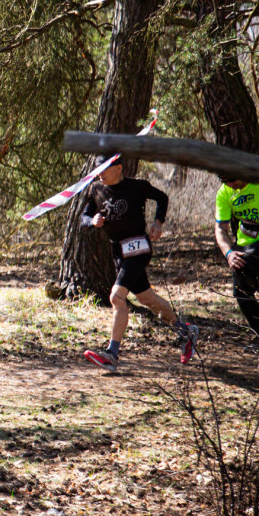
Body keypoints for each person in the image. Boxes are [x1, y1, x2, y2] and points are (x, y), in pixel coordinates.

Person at [80, 155, 198, 372]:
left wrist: (157, 222)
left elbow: (162, 197)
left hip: (139, 247)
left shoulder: (137, 186)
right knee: (146, 298)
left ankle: (112, 354)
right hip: (118, 252)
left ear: (118, 168)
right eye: (98, 170)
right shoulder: (96, 189)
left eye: (104, 169)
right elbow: (84, 217)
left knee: (116, 297)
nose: (100, 174)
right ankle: (185, 331)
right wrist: (92, 221)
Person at [213, 175, 259, 348]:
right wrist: (229, 253)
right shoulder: (224, 193)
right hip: (245, 244)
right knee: (240, 291)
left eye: (233, 180)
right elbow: (220, 229)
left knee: (249, 260)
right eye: (226, 182)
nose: (231, 185)